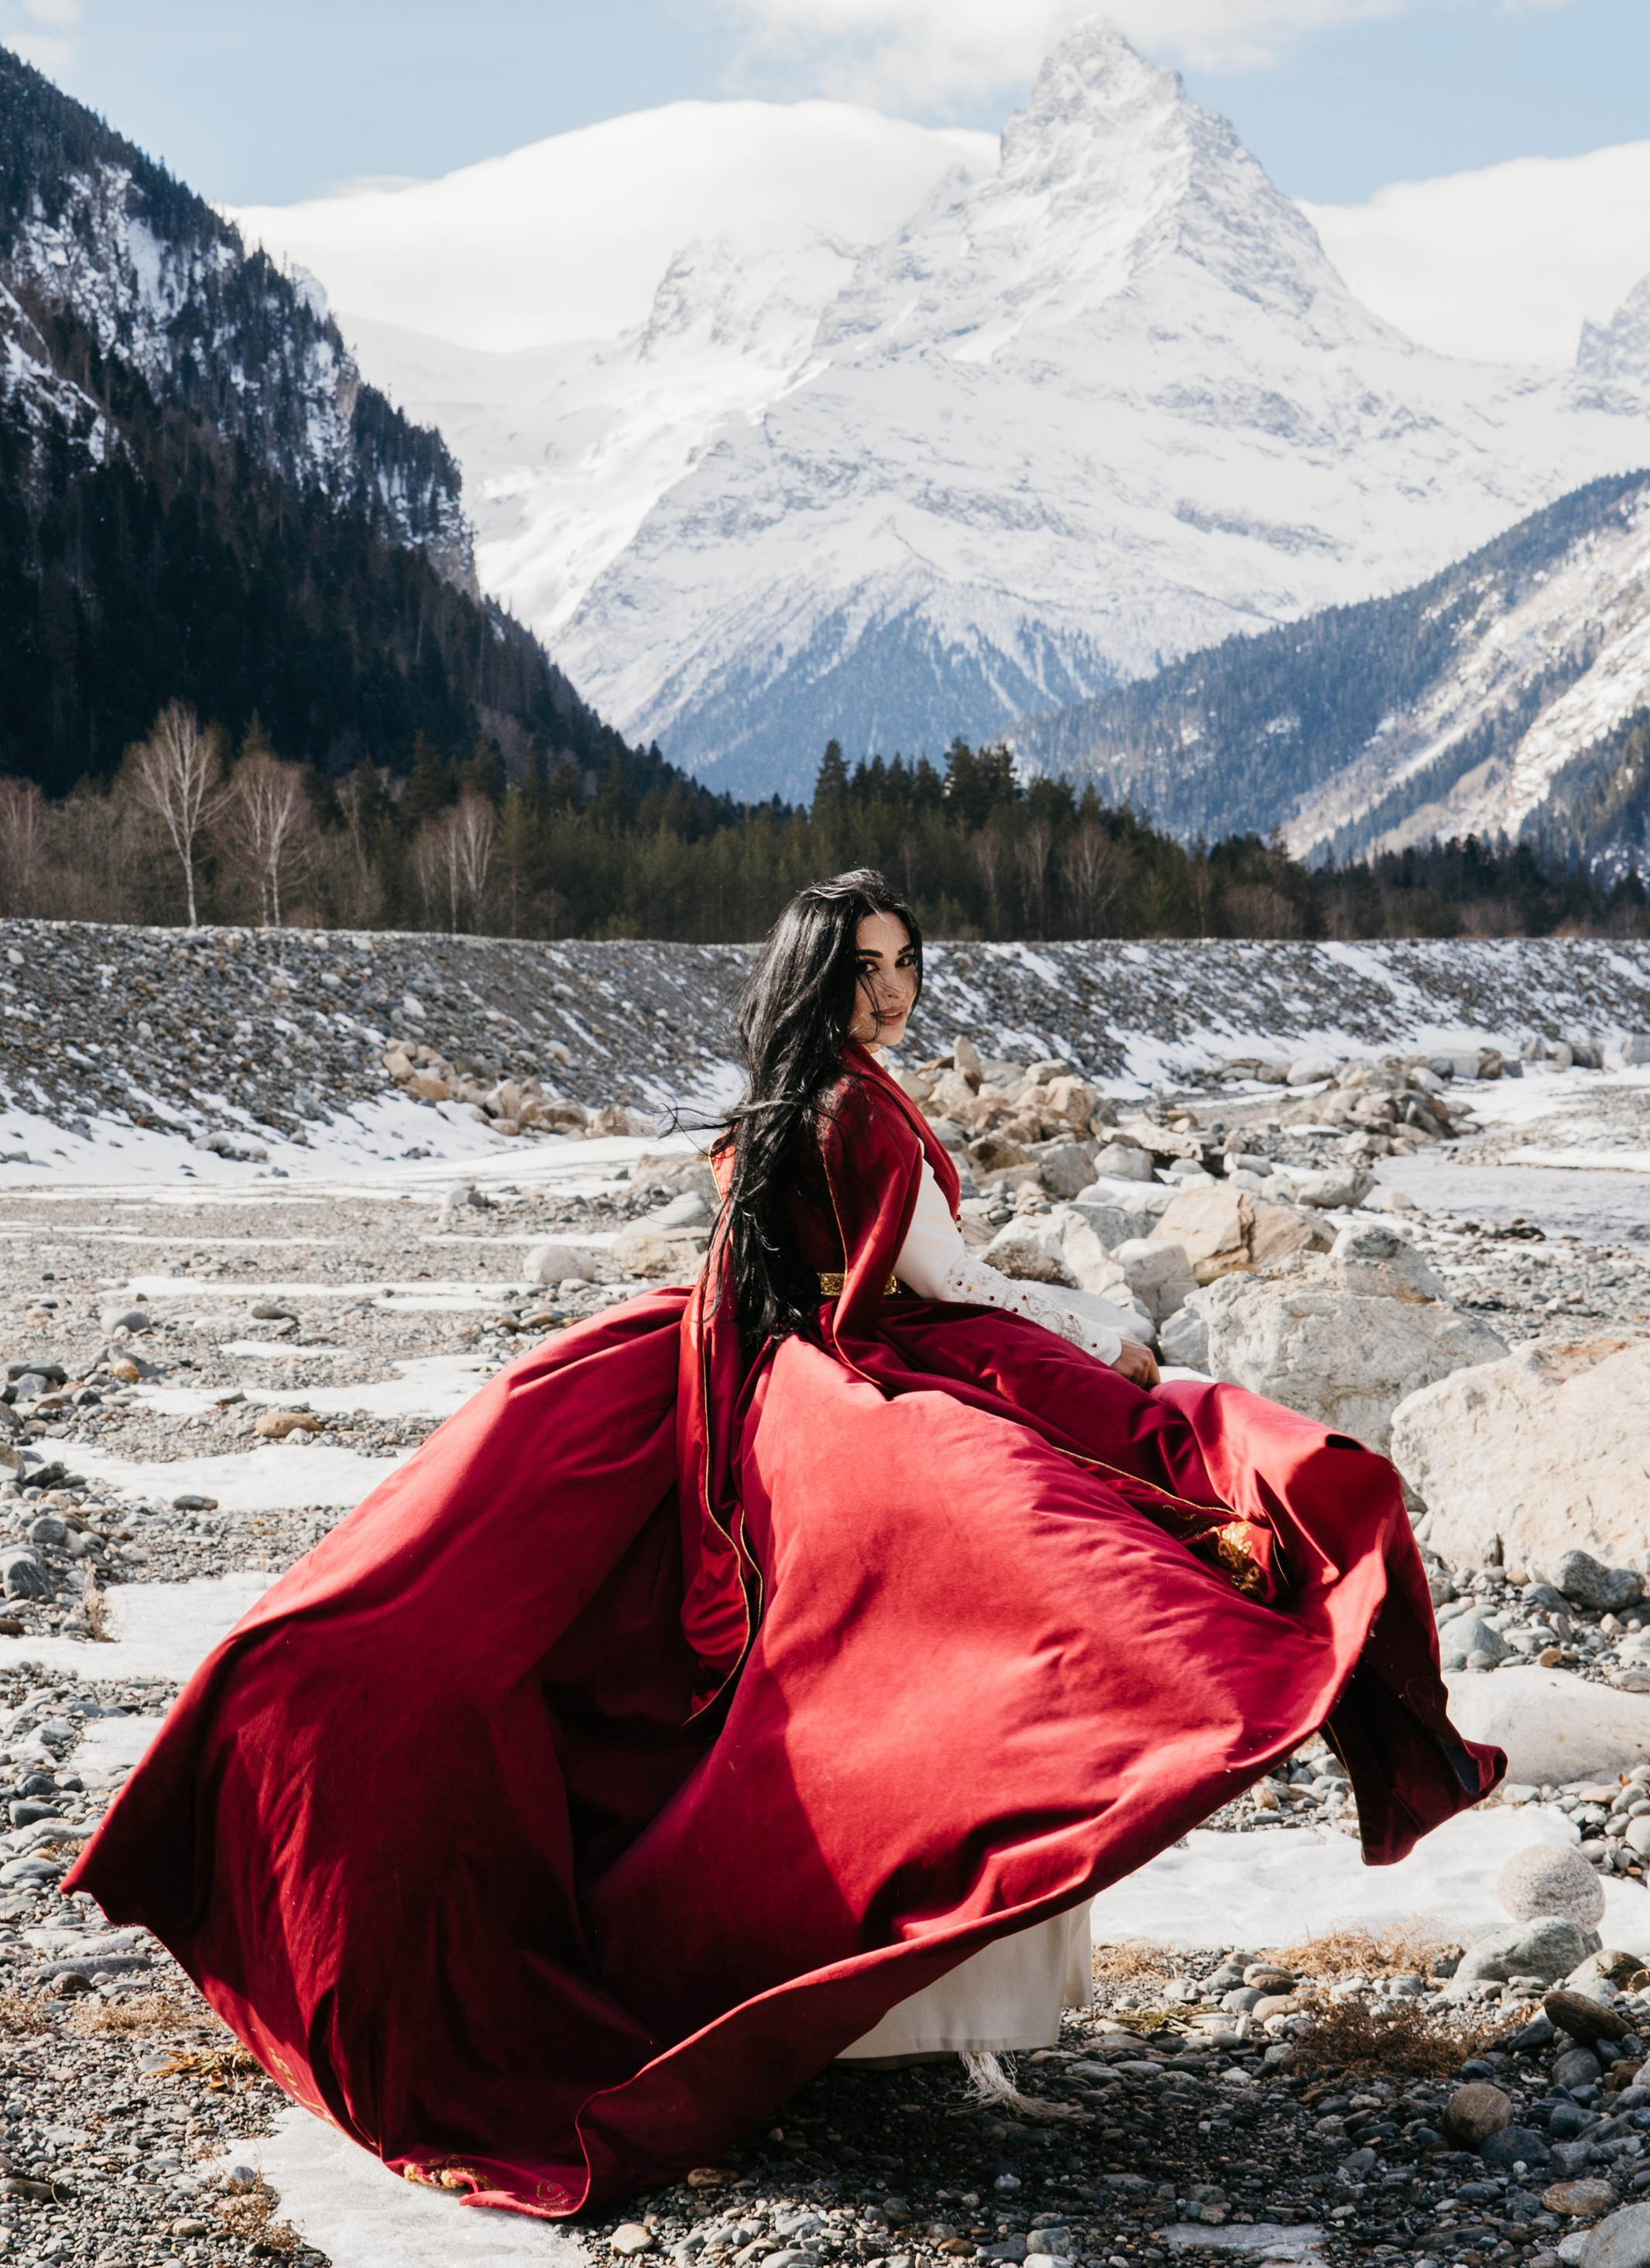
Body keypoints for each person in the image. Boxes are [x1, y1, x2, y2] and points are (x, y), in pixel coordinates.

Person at [71, 869, 1499, 2222]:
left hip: (766, 1366)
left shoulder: (786, 1107)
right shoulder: (860, 1114)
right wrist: (1109, 1341)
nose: (893, 989)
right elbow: (947, 1281)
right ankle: (922, 1979)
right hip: (862, 1367)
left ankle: (870, 1997)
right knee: (1112, 1558)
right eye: (866, 967)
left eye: (905, 962)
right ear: (819, 978)